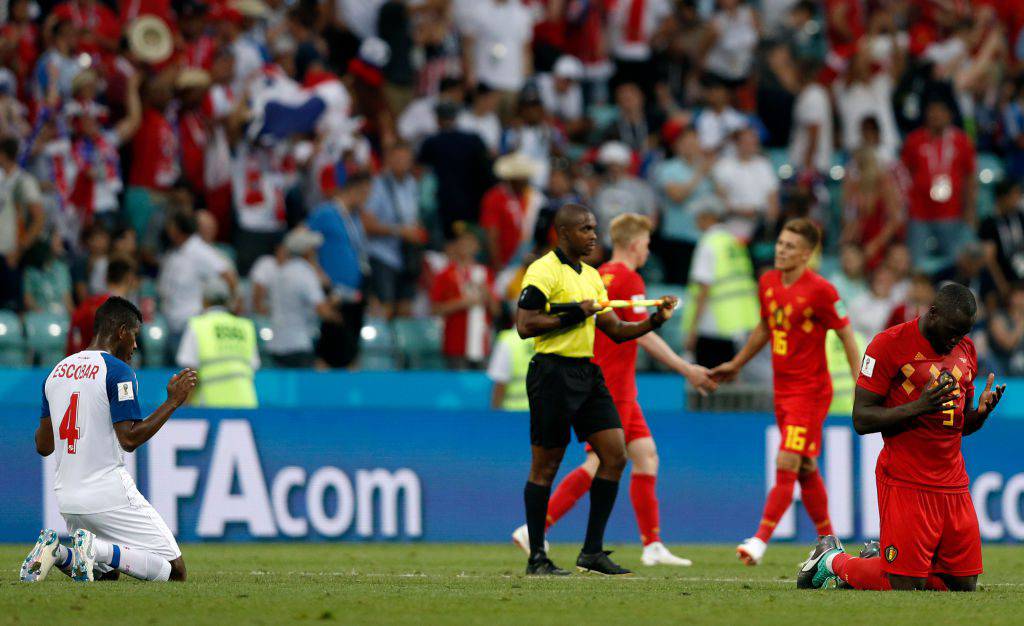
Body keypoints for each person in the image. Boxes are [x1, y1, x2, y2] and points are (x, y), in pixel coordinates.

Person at [512, 213, 716, 567]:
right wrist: (685, 368)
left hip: (594, 375)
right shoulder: (605, 275)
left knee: (633, 455)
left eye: (594, 229)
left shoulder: (596, 275)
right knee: (574, 462)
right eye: (584, 229)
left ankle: (631, 546)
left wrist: (656, 317)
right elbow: (527, 325)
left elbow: (621, 327)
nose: (593, 235)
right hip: (579, 376)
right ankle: (536, 538)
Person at [798, 284, 1005, 592]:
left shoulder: (965, 351)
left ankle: (879, 560)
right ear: (932, 313)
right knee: (904, 583)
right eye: (951, 332)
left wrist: (981, 413)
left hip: (953, 484)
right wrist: (919, 406)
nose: (954, 341)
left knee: (963, 585)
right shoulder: (889, 345)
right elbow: (862, 418)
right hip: (906, 479)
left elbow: (958, 426)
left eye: (962, 334)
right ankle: (831, 560)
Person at [711, 218, 862, 566]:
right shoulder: (766, 281)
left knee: (786, 460)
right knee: (806, 466)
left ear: (807, 254)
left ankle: (760, 541)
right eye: (780, 243)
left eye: (790, 246)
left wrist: (860, 385)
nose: (781, 250)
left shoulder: (822, 290)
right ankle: (830, 542)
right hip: (783, 391)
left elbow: (847, 336)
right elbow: (766, 326)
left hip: (810, 393)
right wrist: (737, 364)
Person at [20, 296, 198, 583]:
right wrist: (173, 402)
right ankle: (97, 549)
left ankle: (59, 552)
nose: (136, 346)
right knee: (175, 571)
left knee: (107, 576)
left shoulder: (55, 374)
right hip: (107, 493)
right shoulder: (117, 371)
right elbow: (129, 439)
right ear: (121, 332)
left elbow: (43, 445)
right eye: (135, 336)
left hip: (67, 498)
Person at [684, 198, 760, 369]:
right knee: (729, 383)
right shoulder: (733, 242)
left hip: (713, 325)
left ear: (708, 217)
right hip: (738, 323)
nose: (696, 222)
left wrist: (692, 330)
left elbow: (704, 287)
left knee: (710, 384)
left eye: (698, 217)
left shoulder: (709, 243)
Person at [175, 279, 259, 408]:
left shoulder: (197, 325)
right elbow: (254, 366)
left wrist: (185, 405)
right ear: (228, 301)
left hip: (210, 405)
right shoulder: (245, 326)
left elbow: (190, 371)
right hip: (246, 403)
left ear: (204, 301)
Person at [265, 228, 341, 368]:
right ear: (307, 251)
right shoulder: (305, 274)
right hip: (297, 344)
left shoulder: (280, 272)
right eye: (314, 249)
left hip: (276, 343)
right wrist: (334, 302)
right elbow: (323, 311)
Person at [429, 225, 499, 369]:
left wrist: (487, 294)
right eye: (462, 242)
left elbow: (496, 311)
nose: (465, 246)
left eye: (470, 242)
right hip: (456, 344)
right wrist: (462, 303)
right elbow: (435, 309)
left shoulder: (485, 273)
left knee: (480, 386)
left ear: (477, 247)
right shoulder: (445, 274)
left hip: (481, 344)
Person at [66, 256, 137, 356]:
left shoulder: (87, 305)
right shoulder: (124, 312)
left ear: (106, 277)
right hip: (109, 367)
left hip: (82, 363)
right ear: (129, 278)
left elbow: (73, 339)